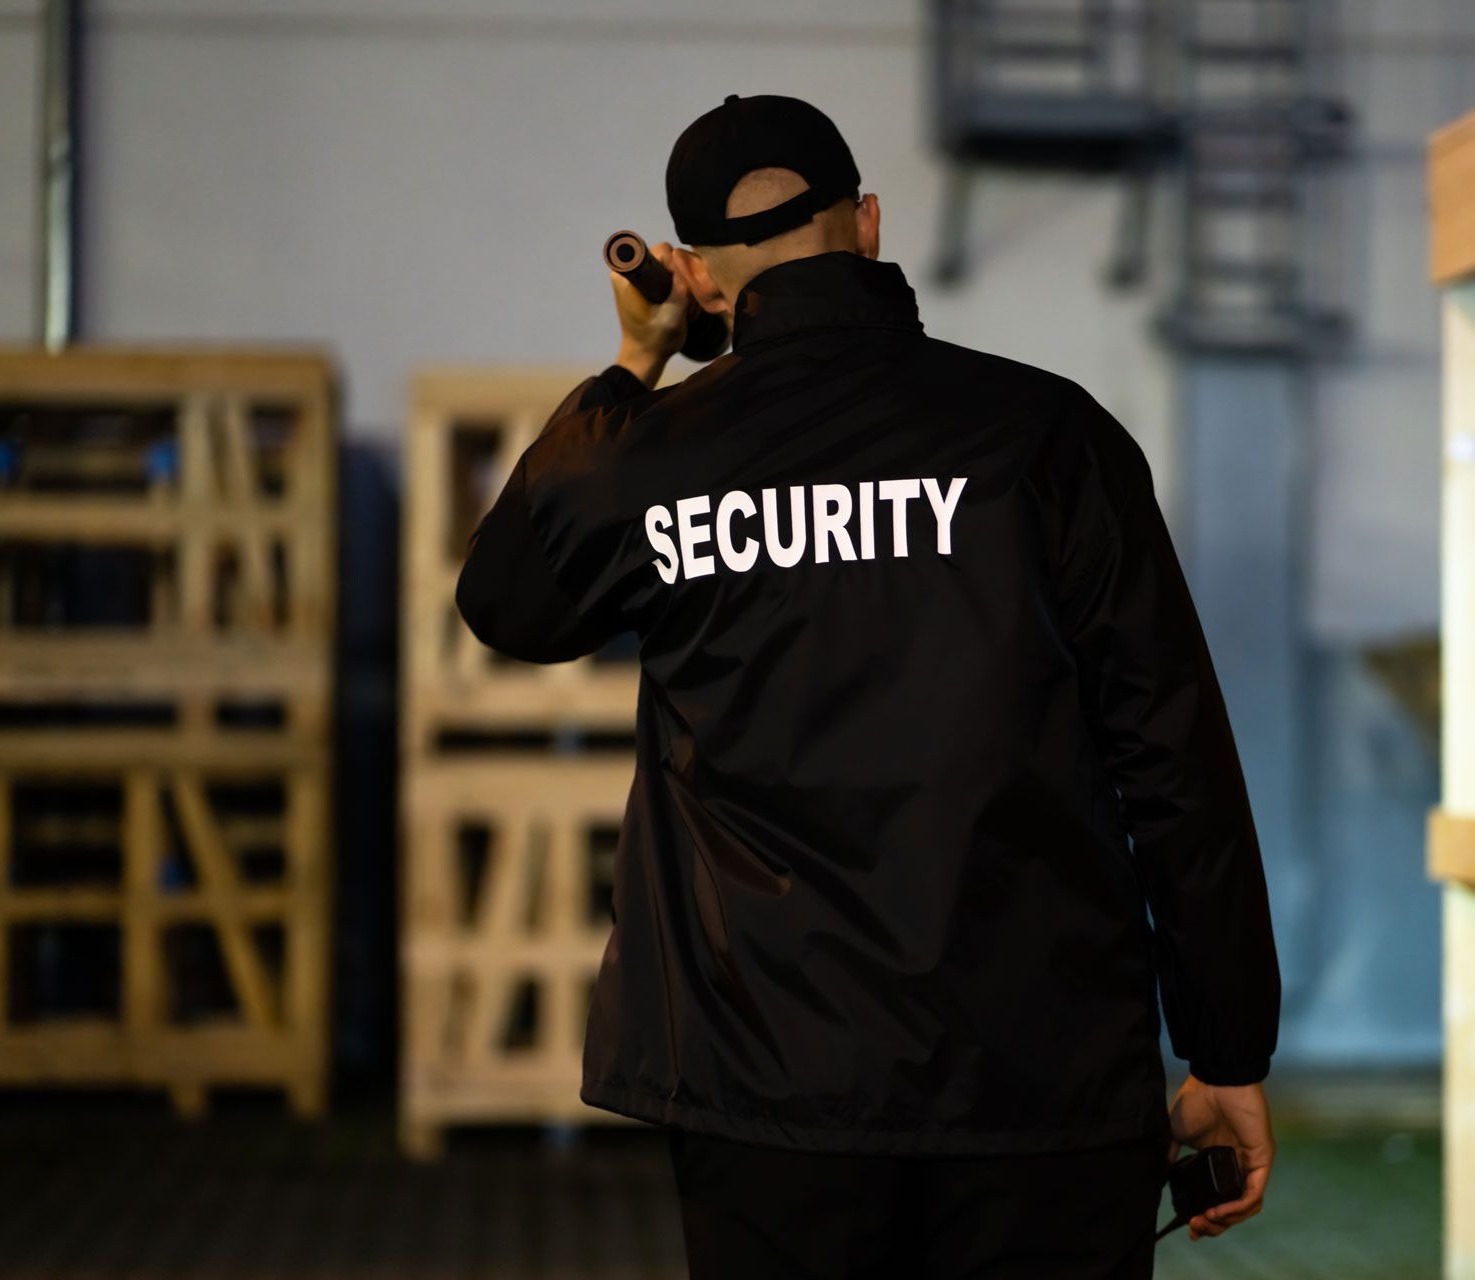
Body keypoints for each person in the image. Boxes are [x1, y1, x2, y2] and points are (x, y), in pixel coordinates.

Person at [456, 93, 1280, 1279]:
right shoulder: (1048, 438)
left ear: (694, 274)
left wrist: (636, 363)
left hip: (767, 1098)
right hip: (1039, 1091)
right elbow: (1172, 756)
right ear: (871, 225)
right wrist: (1226, 1045)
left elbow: (510, 601)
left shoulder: (657, 455)